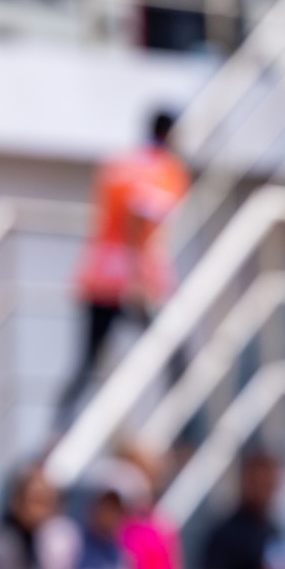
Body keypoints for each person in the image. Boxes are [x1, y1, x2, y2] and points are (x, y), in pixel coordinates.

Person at [55, 109, 189, 428]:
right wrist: (140, 276)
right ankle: (184, 431)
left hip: (100, 274)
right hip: (129, 278)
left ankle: (59, 429)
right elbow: (138, 219)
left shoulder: (120, 163)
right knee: (175, 354)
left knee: (87, 362)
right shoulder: (162, 169)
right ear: (171, 133)